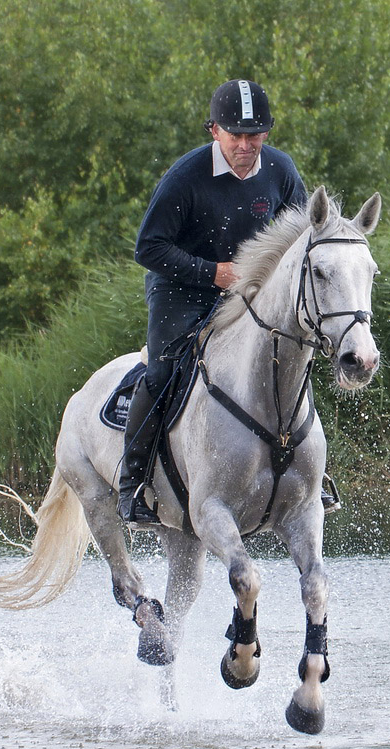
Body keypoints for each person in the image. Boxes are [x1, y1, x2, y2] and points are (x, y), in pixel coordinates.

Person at [118, 79, 317, 525]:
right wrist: (213, 272)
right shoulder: (184, 177)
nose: (246, 145)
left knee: (289, 360)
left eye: (255, 135)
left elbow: (303, 243)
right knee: (164, 368)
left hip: (248, 291)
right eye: (236, 135)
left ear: (267, 132)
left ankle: (312, 481)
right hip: (180, 289)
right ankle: (132, 486)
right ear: (214, 131)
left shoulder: (281, 172)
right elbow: (148, 249)